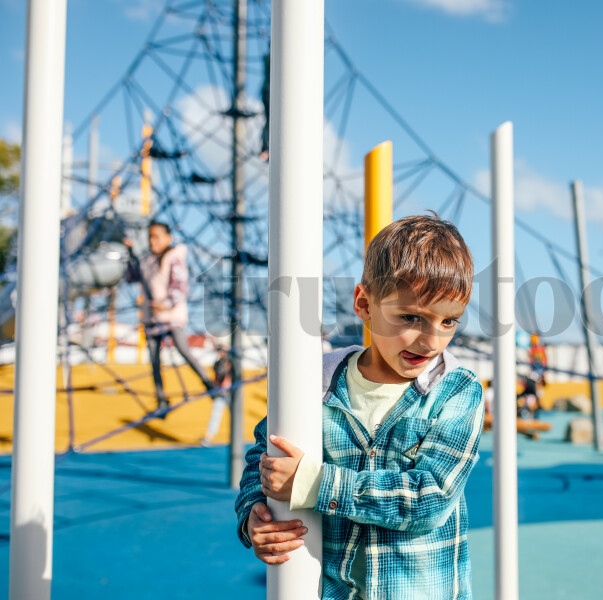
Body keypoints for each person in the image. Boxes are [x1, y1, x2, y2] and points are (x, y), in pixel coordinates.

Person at [234, 214, 484, 599]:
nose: (431, 340)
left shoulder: (455, 391)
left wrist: (315, 484)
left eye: (449, 321)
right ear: (364, 304)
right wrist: (255, 514)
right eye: (411, 317)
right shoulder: (315, 382)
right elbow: (264, 457)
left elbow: (430, 498)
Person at [124, 221, 219, 414]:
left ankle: (209, 384)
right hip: (152, 317)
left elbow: (180, 286)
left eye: (157, 236)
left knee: (183, 349)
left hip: (171, 314)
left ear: (168, 238)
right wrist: (130, 254)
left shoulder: (173, 257)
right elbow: (133, 276)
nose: (153, 241)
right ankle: (161, 400)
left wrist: (166, 303)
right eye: (150, 236)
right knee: (154, 360)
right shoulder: (147, 260)